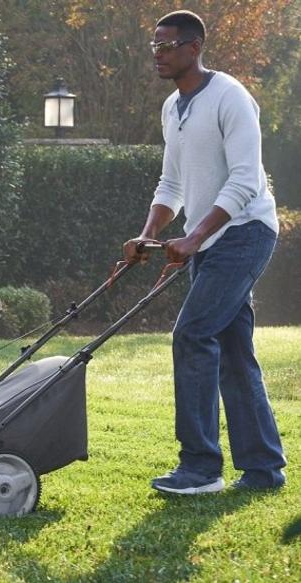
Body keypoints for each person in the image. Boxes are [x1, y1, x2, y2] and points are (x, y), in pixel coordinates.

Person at [123, 10, 286, 494]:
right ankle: (263, 469)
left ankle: (200, 467)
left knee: (193, 335)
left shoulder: (231, 98)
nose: (157, 54)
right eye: (154, 46)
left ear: (194, 48)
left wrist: (195, 237)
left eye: (167, 46)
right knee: (233, 351)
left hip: (245, 233)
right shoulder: (174, 107)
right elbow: (171, 184)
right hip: (208, 242)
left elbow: (244, 180)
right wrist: (148, 234)